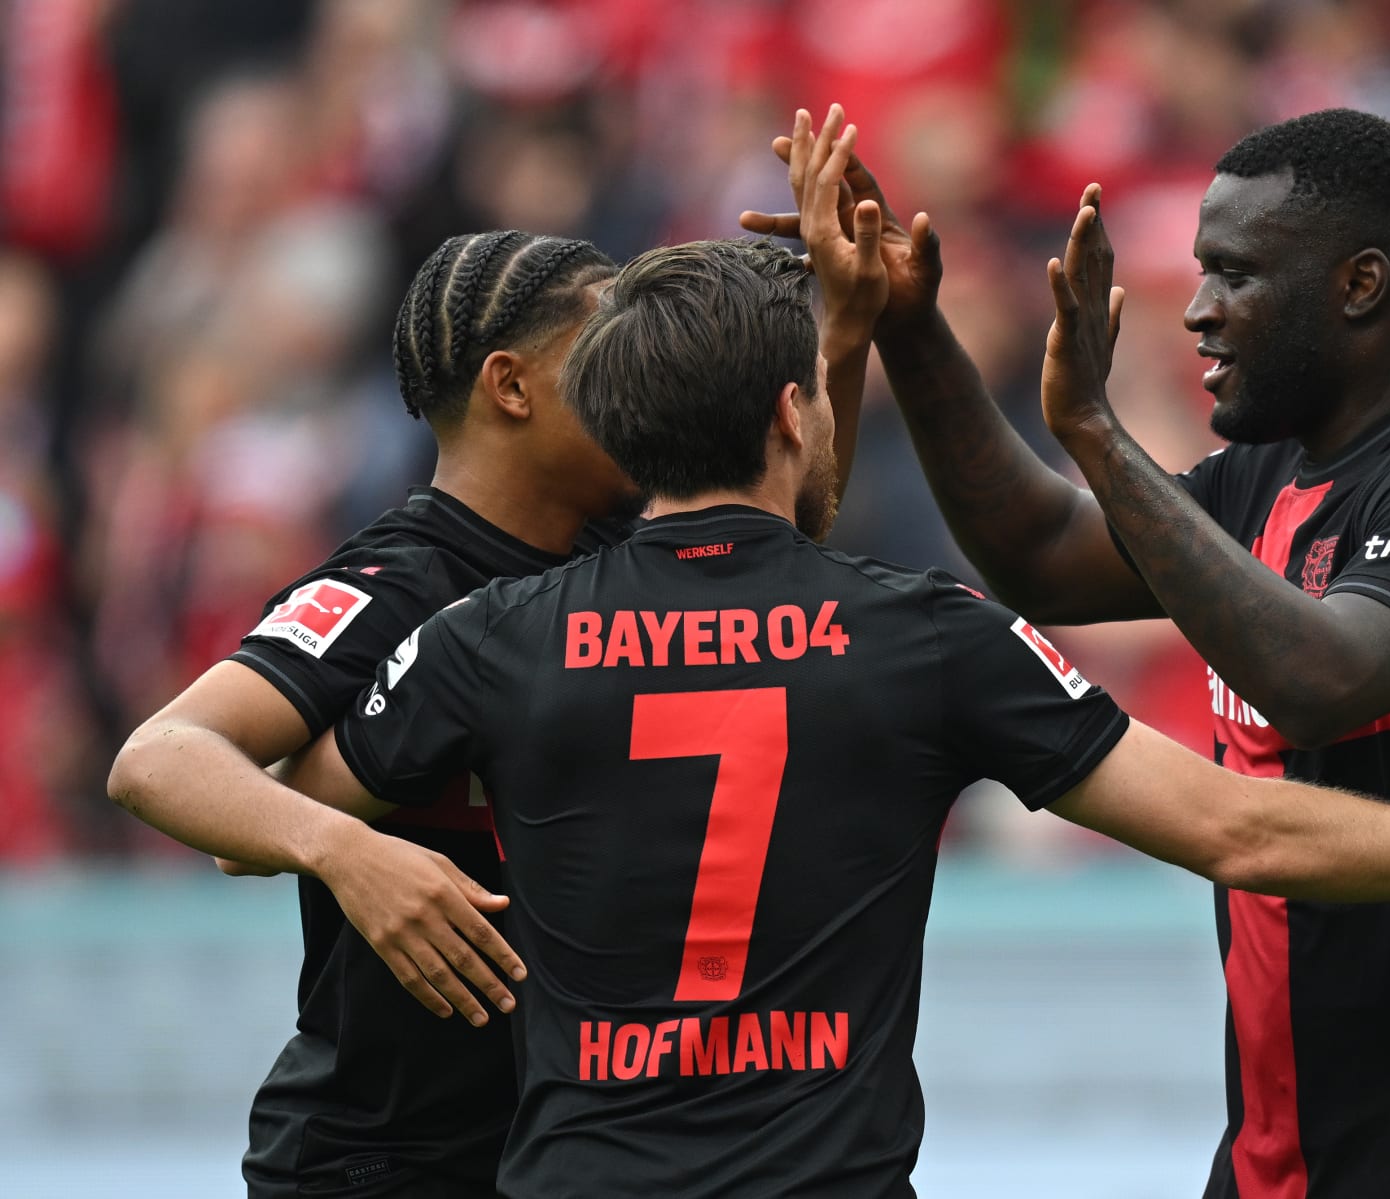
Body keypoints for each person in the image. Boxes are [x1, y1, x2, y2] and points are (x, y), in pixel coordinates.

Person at [253, 235, 1390, 1198]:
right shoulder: (926, 637)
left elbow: (254, 796)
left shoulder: (489, 637)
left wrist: (347, 852)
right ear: (797, 417)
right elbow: (1240, 825)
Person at [745, 108, 1390, 1197]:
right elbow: (1042, 552)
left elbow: (1319, 680)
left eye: (1235, 274)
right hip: (1285, 1155)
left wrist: (1096, 430)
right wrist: (908, 320)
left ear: (1360, 285)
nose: (1202, 312)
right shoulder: (1268, 473)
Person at [106, 108, 885, 1199]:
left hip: (568, 1152)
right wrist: (347, 852)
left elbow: (791, 515)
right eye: (608, 351)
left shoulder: (634, 549)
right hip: (380, 1157)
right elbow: (159, 757)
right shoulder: (392, 582)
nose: (644, 374)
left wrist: (843, 326)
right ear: (513, 388)